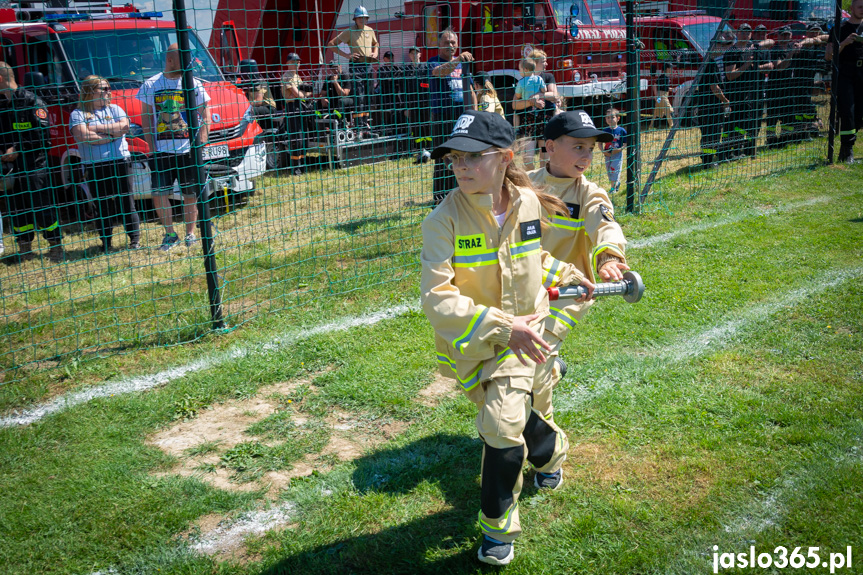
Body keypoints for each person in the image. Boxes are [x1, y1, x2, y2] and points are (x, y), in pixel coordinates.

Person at [420, 110, 588, 566]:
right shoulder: (442, 221)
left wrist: (571, 277)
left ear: (505, 158)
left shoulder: (529, 203)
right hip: (475, 344)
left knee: (498, 425)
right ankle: (552, 451)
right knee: (506, 417)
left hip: (523, 334)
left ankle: (498, 532)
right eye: (456, 158)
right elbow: (437, 299)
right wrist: (500, 327)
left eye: (475, 157)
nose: (462, 167)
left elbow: (532, 261)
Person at [528, 109, 629, 392]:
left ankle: (535, 425)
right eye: (577, 147)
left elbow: (605, 224)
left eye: (590, 149)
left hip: (571, 291)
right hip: (526, 285)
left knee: (534, 362)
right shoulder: (524, 184)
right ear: (550, 147)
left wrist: (609, 256)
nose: (586, 156)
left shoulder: (589, 193)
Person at [136, 43, 210, 251]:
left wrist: (202, 139)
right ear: (170, 60)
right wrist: (151, 146)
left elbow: (205, 111)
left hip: (188, 150)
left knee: (189, 194)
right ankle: (170, 234)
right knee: (159, 194)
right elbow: (145, 118)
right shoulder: (151, 85)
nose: (188, 63)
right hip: (161, 152)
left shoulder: (193, 83)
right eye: (183, 59)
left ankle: (190, 234)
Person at [0, 61, 64, 262]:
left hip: (35, 166)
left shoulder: (32, 101)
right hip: (11, 169)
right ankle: (24, 248)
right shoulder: (2, 104)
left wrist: (17, 149)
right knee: (17, 209)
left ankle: (55, 246)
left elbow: (44, 138)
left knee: (43, 207)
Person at [70, 76, 140, 253]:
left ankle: (134, 241)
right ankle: (106, 244)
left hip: (120, 161)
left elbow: (124, 128)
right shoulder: (77, 114)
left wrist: (97, 128)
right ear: (89, 91)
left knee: (126, 201)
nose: (109, 92)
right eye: (104, 89)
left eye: (108, 88)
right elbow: (84, 136)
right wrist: (111, 133)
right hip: (96, 165)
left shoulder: (116, 108)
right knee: (102, 205)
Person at [429, 28, 475, 205]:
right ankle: (440, 200)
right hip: (442, 115)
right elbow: (439, 72)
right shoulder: (433, 62)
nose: (450, 46)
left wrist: (474, 113)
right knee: (443, 157)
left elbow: (470, 90)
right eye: (446, 42)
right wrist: (458, 60)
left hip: (461, 115)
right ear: (439, 44)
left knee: (461, 156)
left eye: (453, 43)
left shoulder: (462, 65)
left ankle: (459, 195)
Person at [327, 6, 379, 134]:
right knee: (359, 96)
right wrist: (347, 55)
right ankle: (358, 126)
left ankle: (365, 124)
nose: (362, 20)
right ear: (355, 19)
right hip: (356, 66)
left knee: (368, 95)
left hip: (368, 65)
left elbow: (376, 44)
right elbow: (331, 44)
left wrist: (375, 53)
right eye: (360, 18)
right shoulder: (349, 32)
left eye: (364, 18)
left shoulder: (370, 30)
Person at [725, 23, 774, 158]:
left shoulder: (753, 48)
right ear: (737, 33)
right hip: (735, 93)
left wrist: (756, 49)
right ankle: (729, 151)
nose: (746, 35)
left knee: (745, 122)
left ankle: (739, 149)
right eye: (743, 32)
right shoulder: (732, 51)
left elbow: (771, 41)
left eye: (748, 32)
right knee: (734, 123)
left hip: (750, 94)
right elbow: (730, 75)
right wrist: (746, 65)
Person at [826, 0, 863, 163]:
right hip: (846, 73)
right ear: (851, 8)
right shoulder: (839, 28)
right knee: (847, 110)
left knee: (859, 112)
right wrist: (845, 43)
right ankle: (846, 151)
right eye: (860, 6)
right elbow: (828, 56)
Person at [694, 36, 733, 166]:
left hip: (709, 105)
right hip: (710, 106)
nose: (723, 48)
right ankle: (708, 161)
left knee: (711, 134)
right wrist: (725, 100)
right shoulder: (709, 64)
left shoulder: (710, 62)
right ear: (713, 46)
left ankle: (709, 159)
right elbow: (714, 87)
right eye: (721, 45)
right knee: (711, 134)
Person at [512, 56, 547, 169]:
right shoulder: (539, 79)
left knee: (528, 145)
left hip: (528, 117)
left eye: (520, 69)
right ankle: (544, 169)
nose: (519, 71)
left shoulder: (521, 83)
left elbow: (517, 96)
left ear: (526, 70)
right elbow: (544, 90)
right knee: (543, 143)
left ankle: (530, 169)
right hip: (541, 116)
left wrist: (525, 97)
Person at [281, 52, 310, 175]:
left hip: (301, 106)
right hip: (292, 107)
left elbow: (307, 94)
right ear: (288, 63)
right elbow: (298, 94)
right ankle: (296, 167)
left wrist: (303, 94)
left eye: (298, 61)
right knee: (296, 138)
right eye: (294, 61)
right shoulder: (287, 76)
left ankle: (303, 165)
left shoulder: (298, 77)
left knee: (304, 137)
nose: (297, 63)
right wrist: (302, 93)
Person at [404, 46, 432, 162]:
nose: (414, 55)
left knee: (427, 126)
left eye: (416, 53)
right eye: (412, 53)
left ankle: (430, 150)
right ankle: (420, 150)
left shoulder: (426, 67)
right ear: (409, 56)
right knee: (416, 127)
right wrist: (406, 107)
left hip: (426, 103)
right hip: (413, 104)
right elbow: (404, 89)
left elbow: (429, 85)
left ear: (420, 55)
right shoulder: (407, 70)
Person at [376, 51, 404, 136]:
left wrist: (392, 79)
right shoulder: (381, 70)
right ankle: (388, 129)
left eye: (392, 58)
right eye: (389, 58)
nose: (391, 60)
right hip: (385, 96)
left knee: (398, 112)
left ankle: (398, 129)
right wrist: (392, 79)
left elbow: (400, 80)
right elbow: (382, 81)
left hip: (395, 95)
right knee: (387, 113)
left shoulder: (396, 69)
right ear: (384, 59)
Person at [602, 107, 627, 193]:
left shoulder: (621, 131)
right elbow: (599, 143)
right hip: (607, 155)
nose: (610, 119)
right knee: (609, 171)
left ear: (618, 118)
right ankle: (617, 183)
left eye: (612, 117)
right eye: (608, 117)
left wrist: (620, 149)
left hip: (617, 154)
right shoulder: (605, 131)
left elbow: (626, 143)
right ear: (605, 119)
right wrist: (603, 151)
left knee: (615, 169)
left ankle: (613, 188)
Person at [649, 62, 674, 129]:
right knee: (669, 110)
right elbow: (655, 85)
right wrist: (656, 95)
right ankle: (672, 126)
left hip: (662, 96)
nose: (672, 70)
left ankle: (651, 126)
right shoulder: (663, 77)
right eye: (671, 68)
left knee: (657, 112)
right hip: (662, 96)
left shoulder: (665, 77)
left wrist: (673, 89)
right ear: (667, 69)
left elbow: (665, 88)